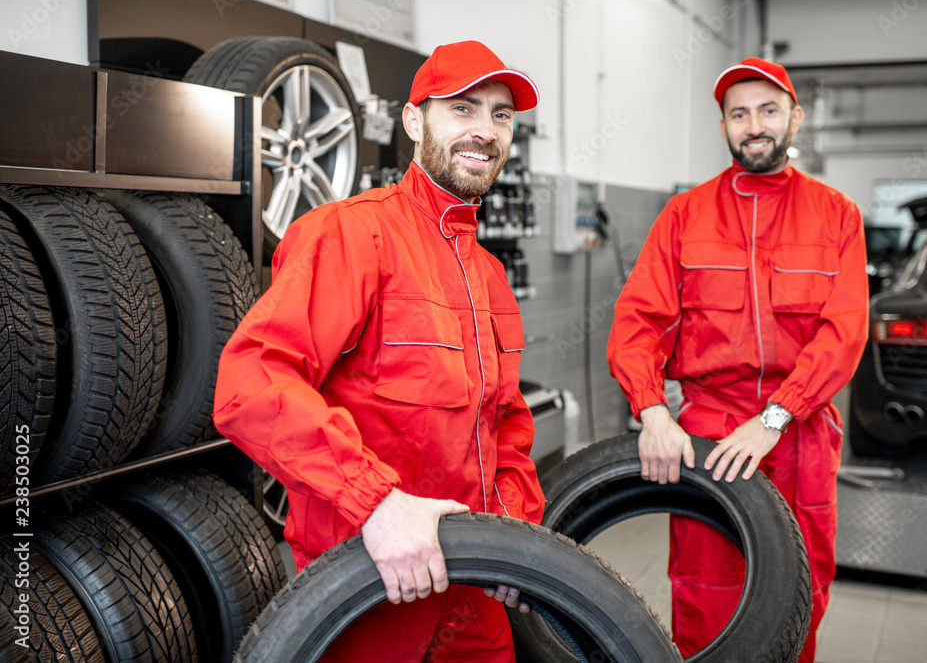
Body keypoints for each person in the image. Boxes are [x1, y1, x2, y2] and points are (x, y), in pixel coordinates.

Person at [214, 40, 544, 662]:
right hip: (370, 587)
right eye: (464, 109)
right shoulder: (347, 235)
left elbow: (505, 426)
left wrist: (517, 535)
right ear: (415, 122)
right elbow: (251, 384)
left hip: (475, 598)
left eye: (501, 115)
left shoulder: (491, 276)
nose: (485, 131)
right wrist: (378, 503)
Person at [607, 56, 869, 662]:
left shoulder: (836, 215)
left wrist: (776, 416)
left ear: (794, 119)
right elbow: (638, 322)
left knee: (798, 591)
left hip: (799, 436)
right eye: (739, 114)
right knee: (705, 592)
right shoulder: (684, 215)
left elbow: (844, 332)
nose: (754, 125)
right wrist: (651, 411)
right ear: (723, 124)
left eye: (768, 111)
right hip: (707, 430)